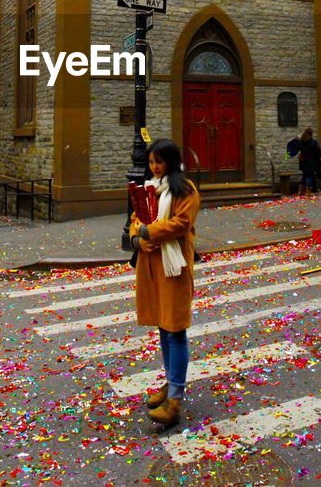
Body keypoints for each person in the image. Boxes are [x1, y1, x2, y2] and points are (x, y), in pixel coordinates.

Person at [129, 138, 200, 429]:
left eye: (159, 161)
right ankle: (170, 384)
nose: (155, 167)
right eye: (151, 162)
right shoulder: (150, 189)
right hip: (152, 265)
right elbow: (136, 218)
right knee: (163, 326)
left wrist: (147, 232)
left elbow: (181, 223)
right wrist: (137, 238)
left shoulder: (185, 189)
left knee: (175, 329)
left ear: (170, 160)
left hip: (174, 268)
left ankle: (175, 399)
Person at [296, 128, 321, 195]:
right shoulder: (313, 142)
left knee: (304, 176)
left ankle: (300, 191)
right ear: (311, 134)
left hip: (303, 161)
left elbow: (299, 149)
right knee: (309, 176)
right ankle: (308, 192)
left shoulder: (301, 141)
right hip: (311, 162)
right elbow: (318, 152)